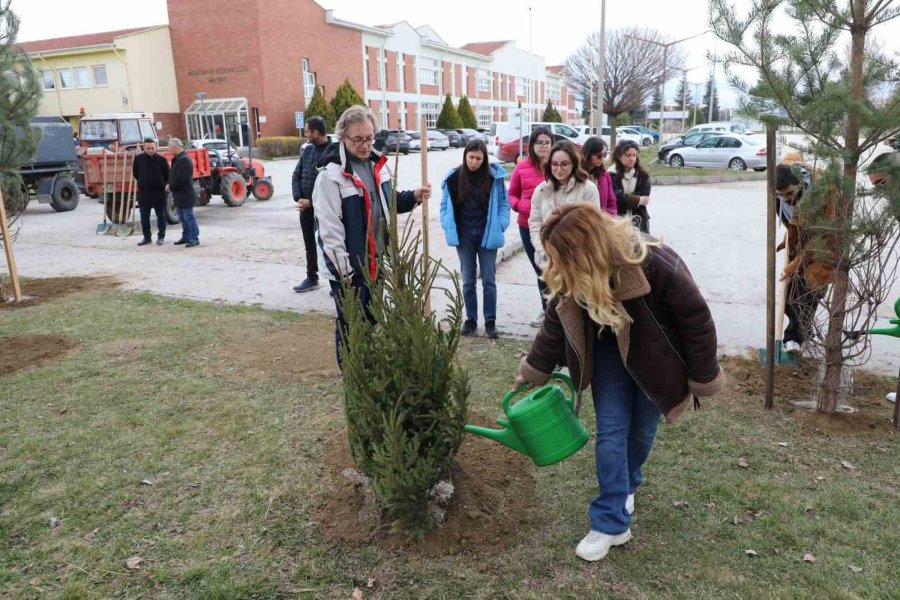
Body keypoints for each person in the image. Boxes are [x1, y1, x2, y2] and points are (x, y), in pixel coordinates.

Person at [515, 203, 723, 562]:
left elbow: (696, 319)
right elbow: (555, 322)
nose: (555, 268)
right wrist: (534, 368)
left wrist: (702, 376)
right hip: (609, 348)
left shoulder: (653, 261)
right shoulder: (575, 272)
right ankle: (610, 523)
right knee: (612, 430)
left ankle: (628, 482)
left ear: (586, 249)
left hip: (657, 357)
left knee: (641, 431)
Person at [313, 105, 431, 367]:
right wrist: (344, 272)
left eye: (369, 138)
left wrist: (412, 197)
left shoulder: (379, 166)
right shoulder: (331, 176)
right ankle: (352, 376)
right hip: (351, 268)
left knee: (372, 318)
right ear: (343, 137)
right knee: (351, 325)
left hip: (376, 262)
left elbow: (388, 203)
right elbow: (329, 230)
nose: (365, 145)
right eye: (358, 140)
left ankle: (366, 370)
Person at [440, 139, 510, 338]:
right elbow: (444, 206)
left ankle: (490, 321)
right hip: (463, 236)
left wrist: (501, 225)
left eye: (479, 158)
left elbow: (504, 204)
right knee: (468, 279)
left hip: (488, 234)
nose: (474, 162)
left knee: (489, 279)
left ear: (484, 158)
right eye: (471, 157)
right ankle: (470, 319)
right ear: (465, 156)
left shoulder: (493, 177)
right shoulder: (454, 178)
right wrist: (447, 224)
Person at [774, 162, 836, 354]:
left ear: (801, 184)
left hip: (825, 244)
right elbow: (794, 219)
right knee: (790, 294)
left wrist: (794, 265)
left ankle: (794, 339)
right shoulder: (781, 188)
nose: (785, 199)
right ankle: (805, 332)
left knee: (808, 292)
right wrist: (789, 236)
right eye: (780, 195)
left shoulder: (823, 194)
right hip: (803, 242)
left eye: (790, 194)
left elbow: (819, 238)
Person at [528, 139, 599, 268]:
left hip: (578, 263)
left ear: (573, 163)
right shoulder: (541, 190)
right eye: (554, 164)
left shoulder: (588, 189)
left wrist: (569, 253)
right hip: (547, 262)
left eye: (564, 164)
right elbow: (535, 224)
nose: (559, 169)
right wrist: (544, 251)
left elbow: (593, 226)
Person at [509, 127, 553, 327]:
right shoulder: (521, 167)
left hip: (555, 228)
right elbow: (512, 194)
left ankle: (561, 311)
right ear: (532, 145)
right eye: (539, 142)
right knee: (541, 269)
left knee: (559, 269)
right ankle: (547, 312)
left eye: (547, 142)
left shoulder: (558, 165)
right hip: (528, 227)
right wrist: (520, 206)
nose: (543, 146)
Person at [291, 116, 332, 293]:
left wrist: (313, 202)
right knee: (310, 245)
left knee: (330, 245)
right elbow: (296, 175)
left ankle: (336, 282)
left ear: (315, 133)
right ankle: (312, 278)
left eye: (307, 131)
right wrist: (299, 198)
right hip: (305, 209)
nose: (305, 134)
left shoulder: (334, 152)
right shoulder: (307, 151)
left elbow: (333, 186)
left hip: (326, 210)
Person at [132, 138, 170, 246]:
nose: (151, 150)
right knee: (144, 216)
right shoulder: (138, 159)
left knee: (161, 216)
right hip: (144, 192)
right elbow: (135, 173)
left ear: (156, 148)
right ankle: (147, 237)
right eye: (148, 148)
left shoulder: (162, 160)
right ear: (144, 148)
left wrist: (165, 184)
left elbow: (167, 175)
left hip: (158, 192)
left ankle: (161, 237)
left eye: (153, 148)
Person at [609, 139, 651, 233]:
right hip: (618, 222)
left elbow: (644, 195)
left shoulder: (643, 175)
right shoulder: (611, 174)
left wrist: (626, 198)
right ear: (619, 156)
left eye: (634, 155)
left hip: (640, 222)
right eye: (628, 155)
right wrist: (638, 200)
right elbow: (616, 198)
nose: (632, 158)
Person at [167, 138, 200, 247]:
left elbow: (181, 178)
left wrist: (171, 186)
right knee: (182, 217)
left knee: (188, 217)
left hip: (186, 193)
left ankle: (194, 238)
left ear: (176, 147)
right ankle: (186, 236)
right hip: (179, 194)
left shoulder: (184, 159)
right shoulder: (176, 159)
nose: (169, 150)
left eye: (170, 148)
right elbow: (173, 175)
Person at [580, 136, 618, 217]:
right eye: (599, 155)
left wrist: (609, 219)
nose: (602, 159)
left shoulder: (604, 175)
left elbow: (611, 202)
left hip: (602, 222)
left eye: (604, 155)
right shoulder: (577, 175)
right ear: (588, 154)